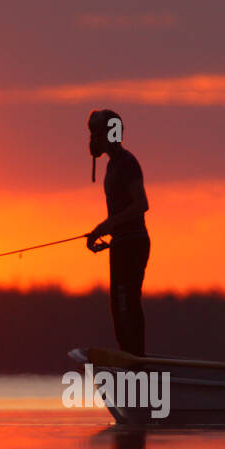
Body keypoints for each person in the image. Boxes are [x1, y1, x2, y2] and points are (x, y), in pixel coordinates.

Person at [86, 109, 151, 356]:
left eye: (96, 133)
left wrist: (106, 226)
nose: (93, 139)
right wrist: (105, 233)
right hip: (121, 243)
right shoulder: (113, 165)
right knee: (119, 306)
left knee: (127, 303)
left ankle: (136, 359)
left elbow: (141, 204)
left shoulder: (126, 163)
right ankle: (130, 357)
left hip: (133, 243)